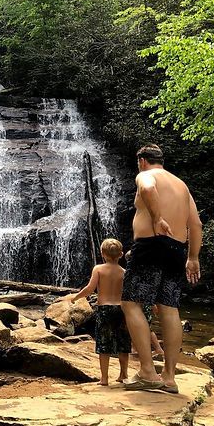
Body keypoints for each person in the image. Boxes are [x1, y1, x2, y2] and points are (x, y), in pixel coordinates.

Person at [121, 144, 202, 393]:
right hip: (177, 249)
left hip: (150, 245)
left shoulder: (146, 174)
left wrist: (156, 218)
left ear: (142, 161)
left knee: (131, 302)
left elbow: (146, 188)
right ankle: (169, 377)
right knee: (169, 307)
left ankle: (147, 371)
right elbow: (196, 224)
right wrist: (193, 257)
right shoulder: (181, 185)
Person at [71, 238, 130, 386]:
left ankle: (104, 378)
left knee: (104, 344)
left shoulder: (98, 269)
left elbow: (90, 288)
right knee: (123, 342)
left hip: (104, 309)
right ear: (121, 254)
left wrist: (76, 297)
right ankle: (124, 374)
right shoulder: (124, 272)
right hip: (121, 309)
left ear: (102, 253)